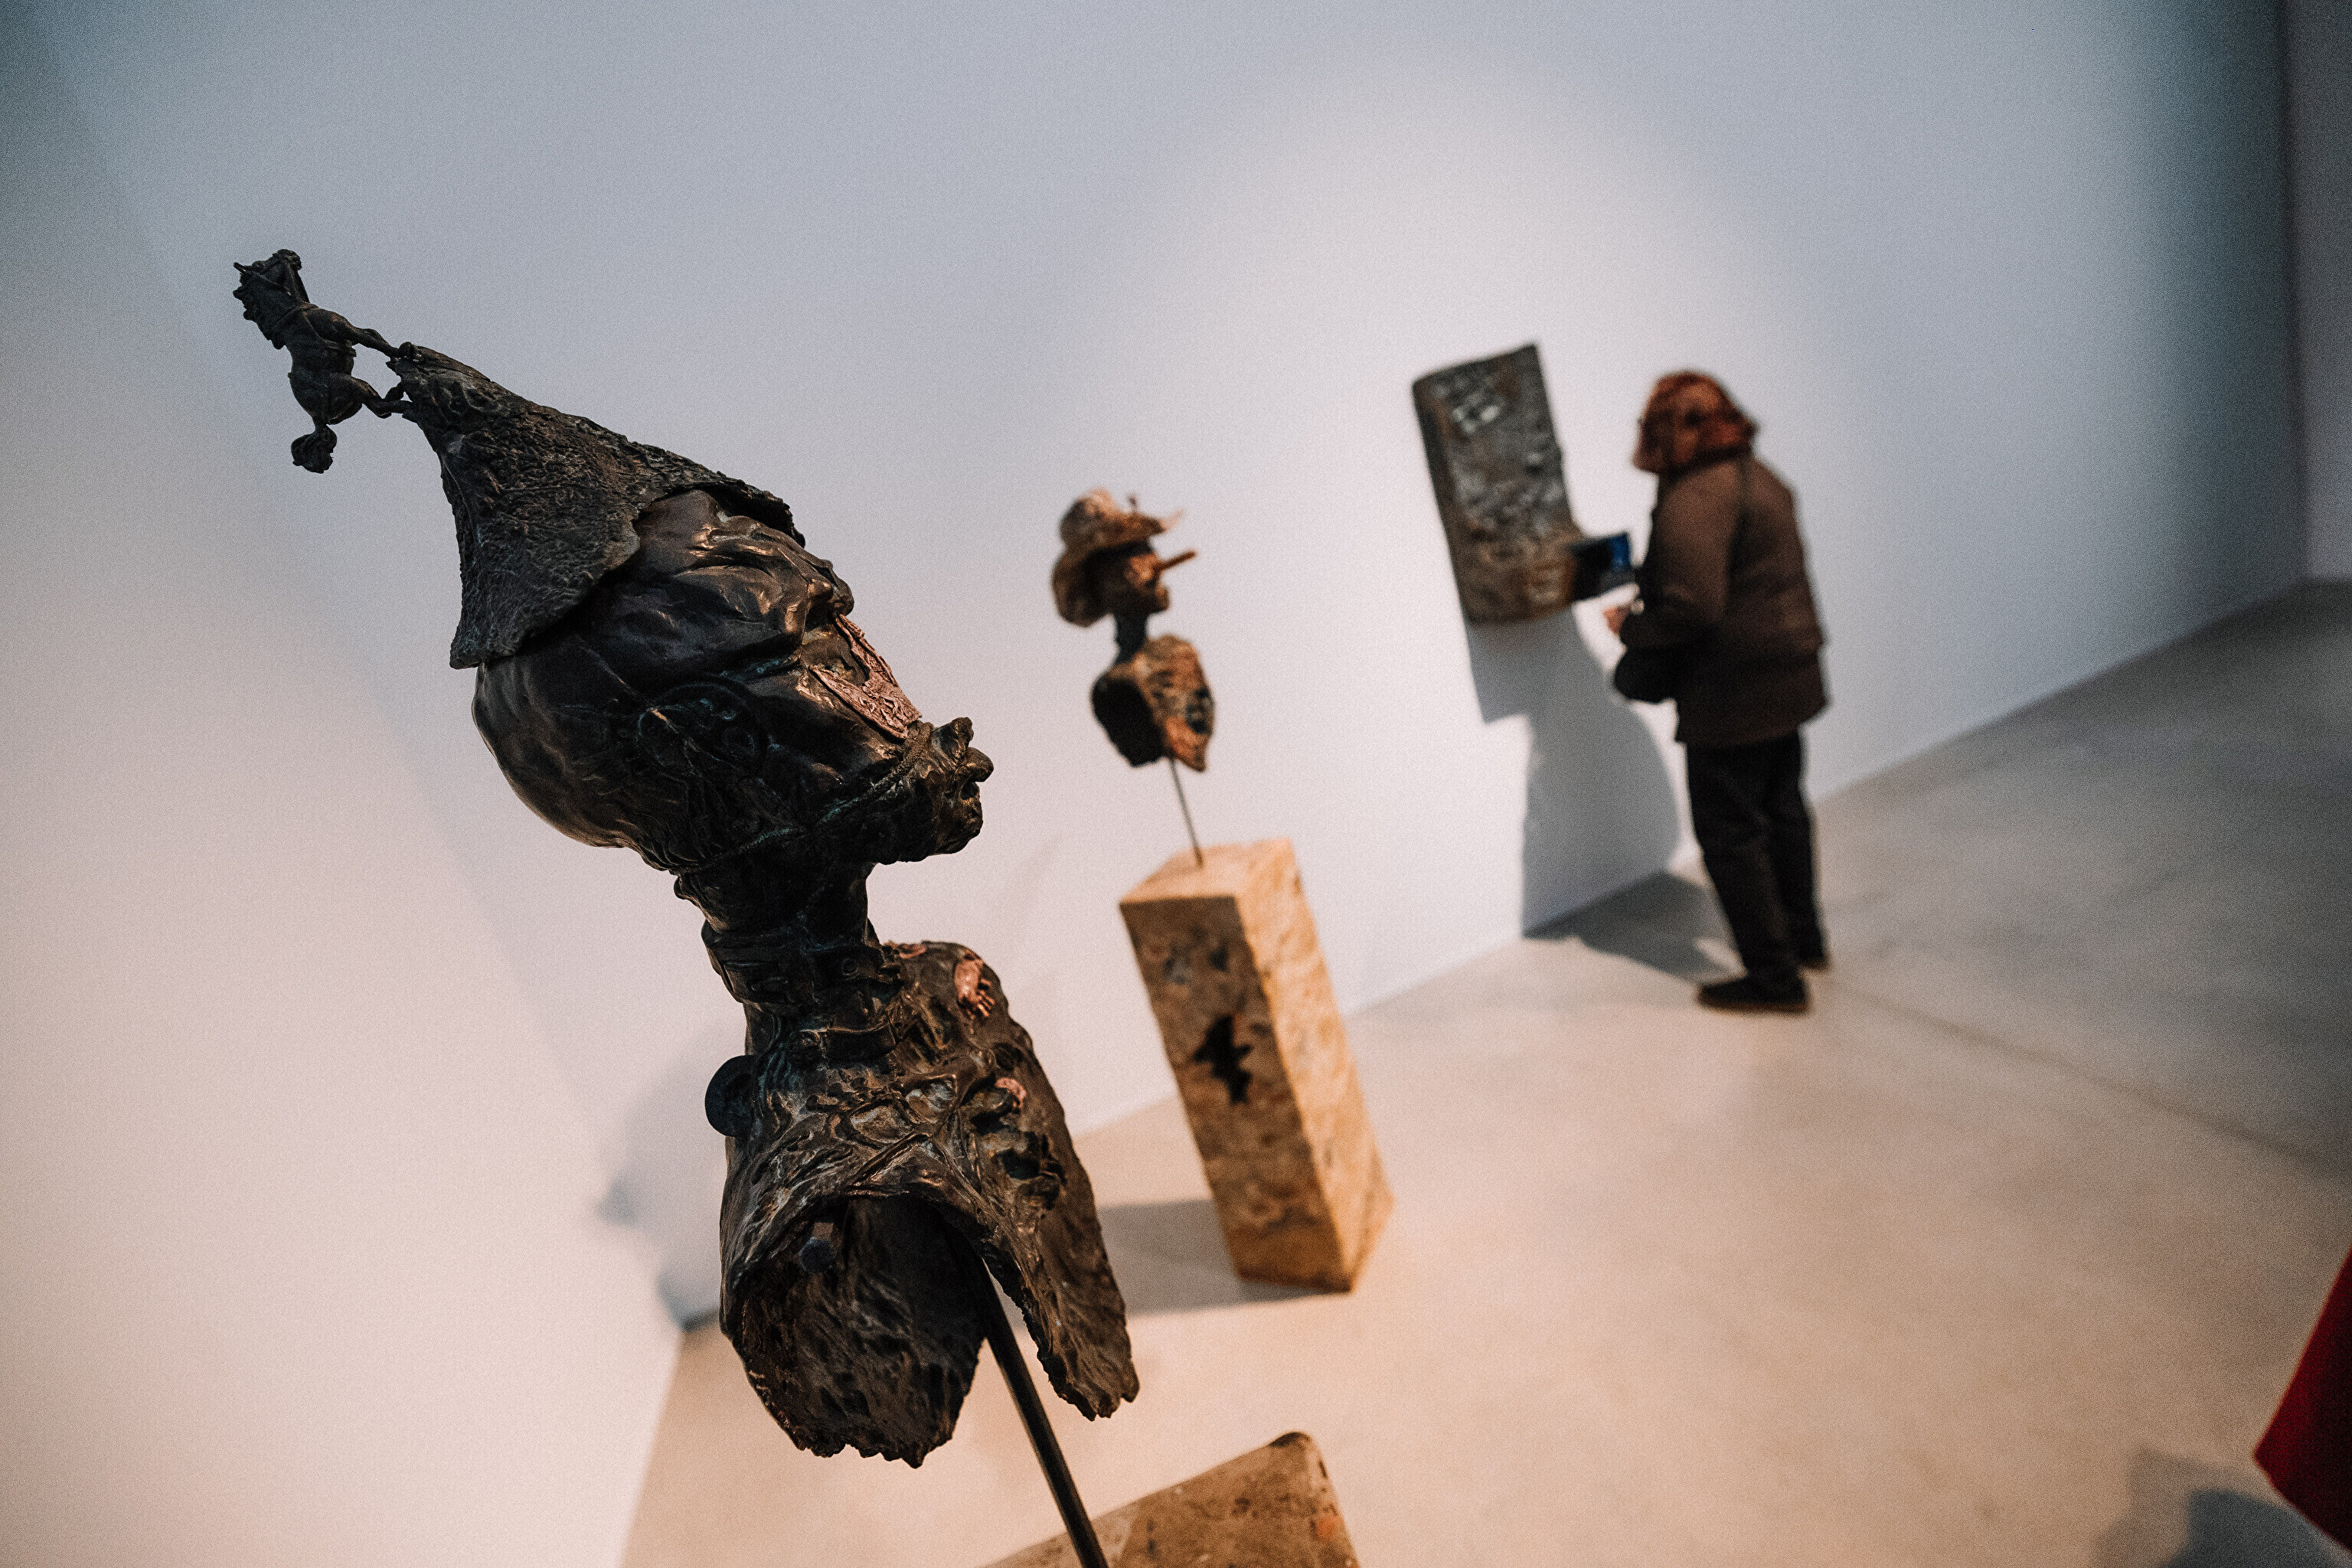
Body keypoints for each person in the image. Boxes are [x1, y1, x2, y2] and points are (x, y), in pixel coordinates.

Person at [1606, 372, 1829, 1014]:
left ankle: (1775, 980)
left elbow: (1693, 607)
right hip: (1787, 676)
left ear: (1666, 429)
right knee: (1783, 813)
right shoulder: (1759, 477)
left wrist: (1632, 628)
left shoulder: (1696, 498)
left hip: (1734, 696)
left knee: (1732, 835)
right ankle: (1804, 943)